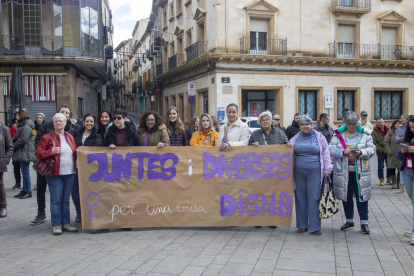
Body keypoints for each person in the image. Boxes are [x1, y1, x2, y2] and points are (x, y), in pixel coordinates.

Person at [329, 111, 376, 234]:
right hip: (343, 171)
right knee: (346, 196)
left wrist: (361, 153)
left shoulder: (365, 134)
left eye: (354, 124)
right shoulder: (337, 135)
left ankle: (364, 222)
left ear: (357, 123)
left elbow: (372, 149)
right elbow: (330, 149)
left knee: (362, 196)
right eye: (349, 124)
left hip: (360, 171)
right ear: (345, 122)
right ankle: (349, 220)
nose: (351, 126)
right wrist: (343, 152)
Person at [31, 105, 74, 226]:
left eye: (62, 120)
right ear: (53, 122)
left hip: (69, 173)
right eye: (56, 121)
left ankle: (66, 223)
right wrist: (51, 152)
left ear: (66, 121)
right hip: (53, 172)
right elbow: (38, 152)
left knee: (65, 201)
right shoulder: (47, 135)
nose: (59, 122)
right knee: (55, 200)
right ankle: (55, 224)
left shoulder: (70, 135)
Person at [289, 115, 332, 236]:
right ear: (299, 126)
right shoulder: (295, 138)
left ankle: (315, 226)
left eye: (307, 124)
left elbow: (326, 153)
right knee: (300, 197)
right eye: (302, 124)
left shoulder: (319, 137)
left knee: (314, 198)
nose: (305, 126)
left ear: (311, 125)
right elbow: (288, 152)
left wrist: (328, 169)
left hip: (315, 171)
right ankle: (302, 225)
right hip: (298, 172)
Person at [249, 111, 293, 229]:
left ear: (271, 120)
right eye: (263, 120)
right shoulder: (255, 134)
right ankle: (258, 219)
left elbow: (287, 144)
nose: (265, 121)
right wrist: (253, 146)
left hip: (275, 171)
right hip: (260, 171)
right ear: (259, 122)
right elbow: (247, 150)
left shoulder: (279, 133)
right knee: (259, 194)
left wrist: (288, 145)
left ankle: (272, 219)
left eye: (267, 119)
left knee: (273, 195)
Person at [73, 114, 104, 223]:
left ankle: (91, 213)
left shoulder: (97, 135)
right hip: (77, 167)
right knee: (76, 191)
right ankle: (79, 213)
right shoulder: (77, 134)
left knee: (91, 191)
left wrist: (83, 151)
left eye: (91, 121)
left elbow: (97, 148)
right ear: (83, 122)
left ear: (94, 123)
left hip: (91, 169)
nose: (89, 123)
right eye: (87, 121)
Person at [397, 116, 414, 243]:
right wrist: (403, 150)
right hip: (407, 171)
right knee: (412, 201)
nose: (412, 130)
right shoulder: (409, 137)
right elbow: (399, 156)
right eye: (411, 127)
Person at [12, 110, 36, 199]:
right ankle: (25, 190)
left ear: (21, 115)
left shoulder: (25, 127)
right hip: (23, 151)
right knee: (24, 171)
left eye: (17, 115)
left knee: (25, 172)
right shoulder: (23, 126)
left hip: (25, 152)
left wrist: (12, 146)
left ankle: (28, 191)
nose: (16, 117)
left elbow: (22, 140)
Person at [372, 118, 393, 186]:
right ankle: (381, 179)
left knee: (389, 165)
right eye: (379, 122)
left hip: (388, 151)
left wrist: (388, 149)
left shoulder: (388, 129)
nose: (381, 124)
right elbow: (374, 143)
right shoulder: (374, 132)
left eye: (382, 122)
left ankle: (389, 178)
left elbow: (391, 140)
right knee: (381, 166)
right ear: (377, 123)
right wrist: (383, 150)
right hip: (380, 152)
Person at [0, 121, 13, 218]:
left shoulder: (3, 129)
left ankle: (3, 207)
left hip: (0, 162)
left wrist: (6, 160)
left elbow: (9, 147)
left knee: (0, 184)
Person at [384, 119, 401, 189]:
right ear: (393, 125)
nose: (397, 125)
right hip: (392, 153)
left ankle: (399, 183)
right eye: (396, 124)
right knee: (392, 168)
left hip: (400, 153)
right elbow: (386, 142)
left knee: (400, 168)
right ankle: (394, 182)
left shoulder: (402, 133)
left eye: (399, 124)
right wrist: (389, 151)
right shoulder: (390, 133)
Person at [396, 114, 409, 194]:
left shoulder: (409, 128)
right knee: (401, 168)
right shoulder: (399, 129)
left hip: (409, 149)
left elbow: (407, 138)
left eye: (404, 117)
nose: (402, 119)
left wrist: (401, 138)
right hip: (402, 151)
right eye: (401, 117)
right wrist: (403, 138)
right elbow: (396, 140)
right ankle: (402, 187)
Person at [9, 118, 21, 190]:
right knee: (16, 168)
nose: (15, 124)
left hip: (21, 152)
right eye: (14, 123)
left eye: (17, 123)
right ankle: (17, 183)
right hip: (14, 152)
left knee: (23, 169)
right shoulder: (10, 130)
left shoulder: (21, 130)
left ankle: (25, 185)